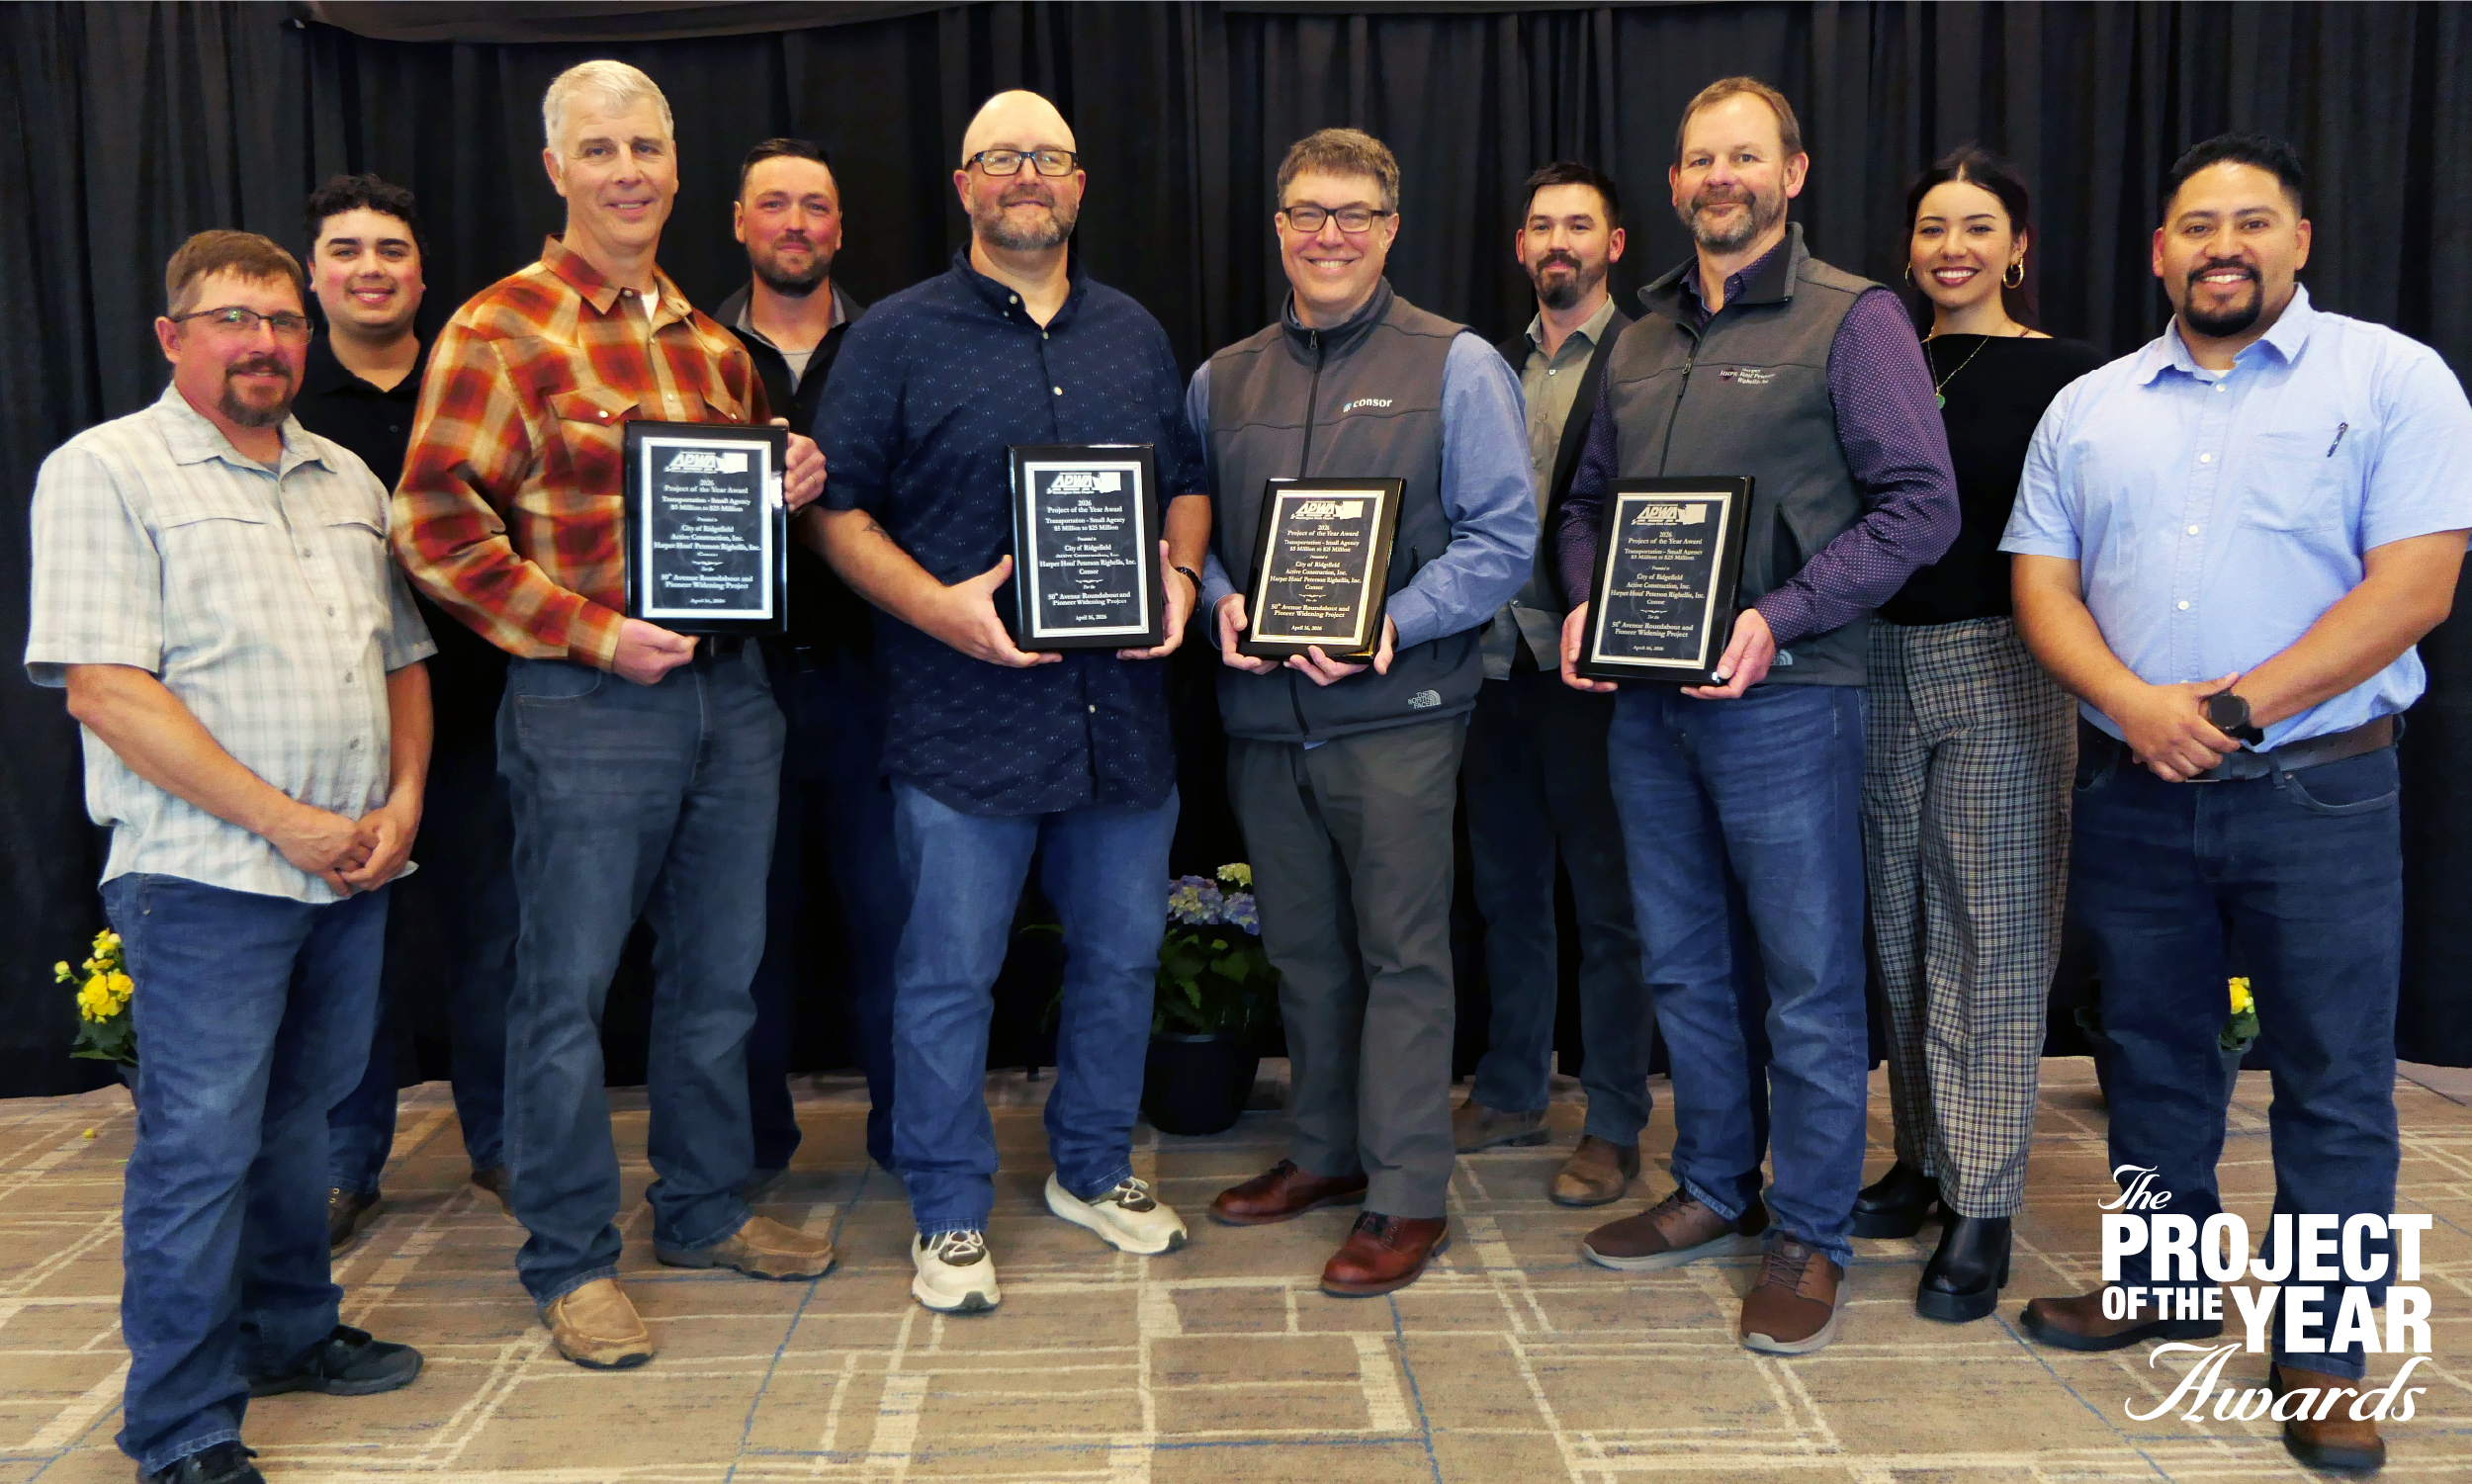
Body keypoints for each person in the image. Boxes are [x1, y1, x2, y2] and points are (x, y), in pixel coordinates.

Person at [2005, 133, 2472, 1474]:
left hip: (2318, 791)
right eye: (2198, 226)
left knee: (2331, 1076)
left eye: (2251, 221)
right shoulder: (2089, 406)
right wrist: (2135, 707)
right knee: (2152, 1049)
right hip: (2135, 787)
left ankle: (2323, 1354)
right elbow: (2043, 583)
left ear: (2298, 240)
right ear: (2159, 252)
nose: (2224, 246)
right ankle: (2165, 1283)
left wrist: (2227, 710)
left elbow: (2414, 585)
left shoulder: (2392, 380)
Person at [393, 59, 833, 1372]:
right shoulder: (499, 328)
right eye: (599, 149)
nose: (627, 171)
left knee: (718, 979)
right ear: (555, 169)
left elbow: (733, 522)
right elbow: (432, 526)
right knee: (565, 993)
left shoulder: (712, 347)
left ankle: (701, 1210)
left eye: (646, 147)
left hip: (732, 699)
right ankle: (571, 1257)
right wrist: (592, 631)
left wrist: (789, 476)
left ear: (678, 168)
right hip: (587, 703)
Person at [1555, 76, 1958, 1355]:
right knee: (1682, 961)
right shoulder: (1638, 332)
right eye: (1698, 159)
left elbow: (1920, 504)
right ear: (1674, 182)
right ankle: (1715, 1184)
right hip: (1646, 707)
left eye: (1743, 156)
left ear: (1792, 173)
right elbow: (1585, 505)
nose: (1718, 177)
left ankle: (1811, 1230)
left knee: (1807, 981)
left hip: (1787, 701)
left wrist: (1777, 617)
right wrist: (1585, 600)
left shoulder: (1855, 317)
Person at [27, 230, 432, 1484]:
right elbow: (105, 689)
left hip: (352, 869)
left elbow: (402, 660)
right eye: (231, 320)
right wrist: (286, 820)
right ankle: (182, 1421)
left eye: (282, 321)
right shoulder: (106, 470)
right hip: (205, 878)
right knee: (199, 1150)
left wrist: (404, 801)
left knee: (298, 1123)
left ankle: (290, 1333)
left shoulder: (345, 478)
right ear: (172, 336)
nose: (264, 343)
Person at [815, 90, 1208, 1315]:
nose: (1025, 176)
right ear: (964, 186)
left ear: (1079, 185)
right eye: (1000, 158)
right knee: (947, 978)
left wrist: (1180, 576)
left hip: (1118, 721)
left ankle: (1091, 1167)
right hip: (960, 719)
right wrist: (938, 608)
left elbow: (1187, 481)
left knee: (1121, 961)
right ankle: (946, 1208)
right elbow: (834, 511)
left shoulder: (1133, 333)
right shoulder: (892, 337)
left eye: (1047, 158)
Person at [1199, 128, 1535, 1296]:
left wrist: (1390, 621)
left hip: (1397, 713)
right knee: (1302, 951)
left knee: (1401, 956)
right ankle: (1325, 1151)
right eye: (1307, 212)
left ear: (1390, 229)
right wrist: (1219, 598)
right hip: (1264, 715)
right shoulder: (1221, 378)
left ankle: (1405, 1192)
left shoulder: (1459, 365)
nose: (1328, 234)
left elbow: (1503, 538)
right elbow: (1190, 531)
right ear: (1279, 227)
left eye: (1353, 213)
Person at [1850, 148, 2104, 1323]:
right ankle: (1924, 1158)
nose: (1951, 247)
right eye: (1932, 228)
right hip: (1872, 663)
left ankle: (1984, 1204)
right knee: (1898, 931)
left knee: (1987, 936)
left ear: (2017, 248)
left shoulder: (2070, 377)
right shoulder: (1876, 360)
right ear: (1908, 249)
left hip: (2005, 662)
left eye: (1977, 226)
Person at [292, 173, 516, 1251]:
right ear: (313, 276)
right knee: (349, 952)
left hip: (484, 710)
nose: (370, 268)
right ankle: (346, 1159)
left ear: (424, 277)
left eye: (390, 250)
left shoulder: (477, 385)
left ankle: (505, 1141)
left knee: (499, 941)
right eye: (346, 250)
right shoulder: (281, 406)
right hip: (335, 726)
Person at [1454, 159, 1653, 1209]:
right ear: (1521, 247)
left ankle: (1614, 1120)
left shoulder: (1651, 358)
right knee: (1506, 894)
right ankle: (1513, 1087)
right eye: (1541, 226)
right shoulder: (1484, 365)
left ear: (1613, 245)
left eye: (1579, 225)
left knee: (1611, 909)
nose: (1557, 242)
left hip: (1599, 672)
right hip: (1494, 664)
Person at [712, 137, 901, 1190]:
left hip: (876, 680)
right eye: (773, 204)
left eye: (814, 206)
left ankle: (912, 1139)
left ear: (839, 226)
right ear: (739, 222)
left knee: (895, 924)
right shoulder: (689, 350)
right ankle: (747, 1155)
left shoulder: (892, 344)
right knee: (741, 935)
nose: (795, 223)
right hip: (734, 679)